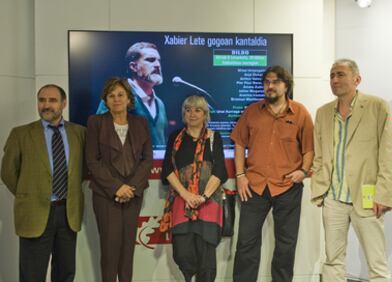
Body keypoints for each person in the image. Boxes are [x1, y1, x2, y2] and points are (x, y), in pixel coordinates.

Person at [311, 59, 392, 281]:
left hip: (367, 197)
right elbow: (319, 154)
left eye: (340, 74)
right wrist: (320, 188)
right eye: (332, 75)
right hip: (333, 199)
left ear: (357, 79)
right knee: (332, 261)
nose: (335, 80)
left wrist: (384, 194)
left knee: (377, 264)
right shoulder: (322, 113)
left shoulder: (377, 106)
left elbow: (387, 155)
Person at [231, 66, 314, 282]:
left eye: (275, 81)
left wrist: (303, 172)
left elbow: (309, 149)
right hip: (254, 187)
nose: (270, 86)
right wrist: (240, 176)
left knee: (286, 245)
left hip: (288, 187)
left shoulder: (300, 113)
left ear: (286, 86)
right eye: (266, 82)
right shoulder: (252, 111)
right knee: (246, 244)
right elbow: (239, 143)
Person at [1, 84, 86, 282]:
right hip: (34, 213)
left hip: (68, 213)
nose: (46, 105)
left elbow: (82, 171)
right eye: (42, 100)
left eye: (52, 100)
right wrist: (28, 193)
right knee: (32, 274)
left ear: (63, 104)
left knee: (65, 273)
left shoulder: (79, 133)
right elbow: (8, 173)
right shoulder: (20, 134)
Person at [86, 77, 153, 282]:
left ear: (129, 99)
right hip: (106, 196)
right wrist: (117, 188)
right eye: (111, 95)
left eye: (120, 95)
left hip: (132, 194)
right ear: (105, 100)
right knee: (109, 249)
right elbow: (92, 161)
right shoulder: (96, 122)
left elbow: (147, 159)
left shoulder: (141, 122)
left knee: (127, 251)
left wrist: (130, 188)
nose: (116, 99)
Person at [159, 95, 228, 282]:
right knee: (183, 254)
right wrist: (187, 195)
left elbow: (221, 171)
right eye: (188, 109)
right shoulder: (176, 137)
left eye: (197, 110)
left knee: (206, 261)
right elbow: (167, 170)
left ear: (205, 114)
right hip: (182, 203)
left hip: (208, 205)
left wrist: (203, 197)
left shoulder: (215, 138)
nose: (192, 114)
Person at [96, 42, 168, 148]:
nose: (157, 65)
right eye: (150, 60)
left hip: (157, 164)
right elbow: (100, 133)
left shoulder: (160, 103)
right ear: (133, 67)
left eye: (159, 60)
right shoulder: (116, 97)